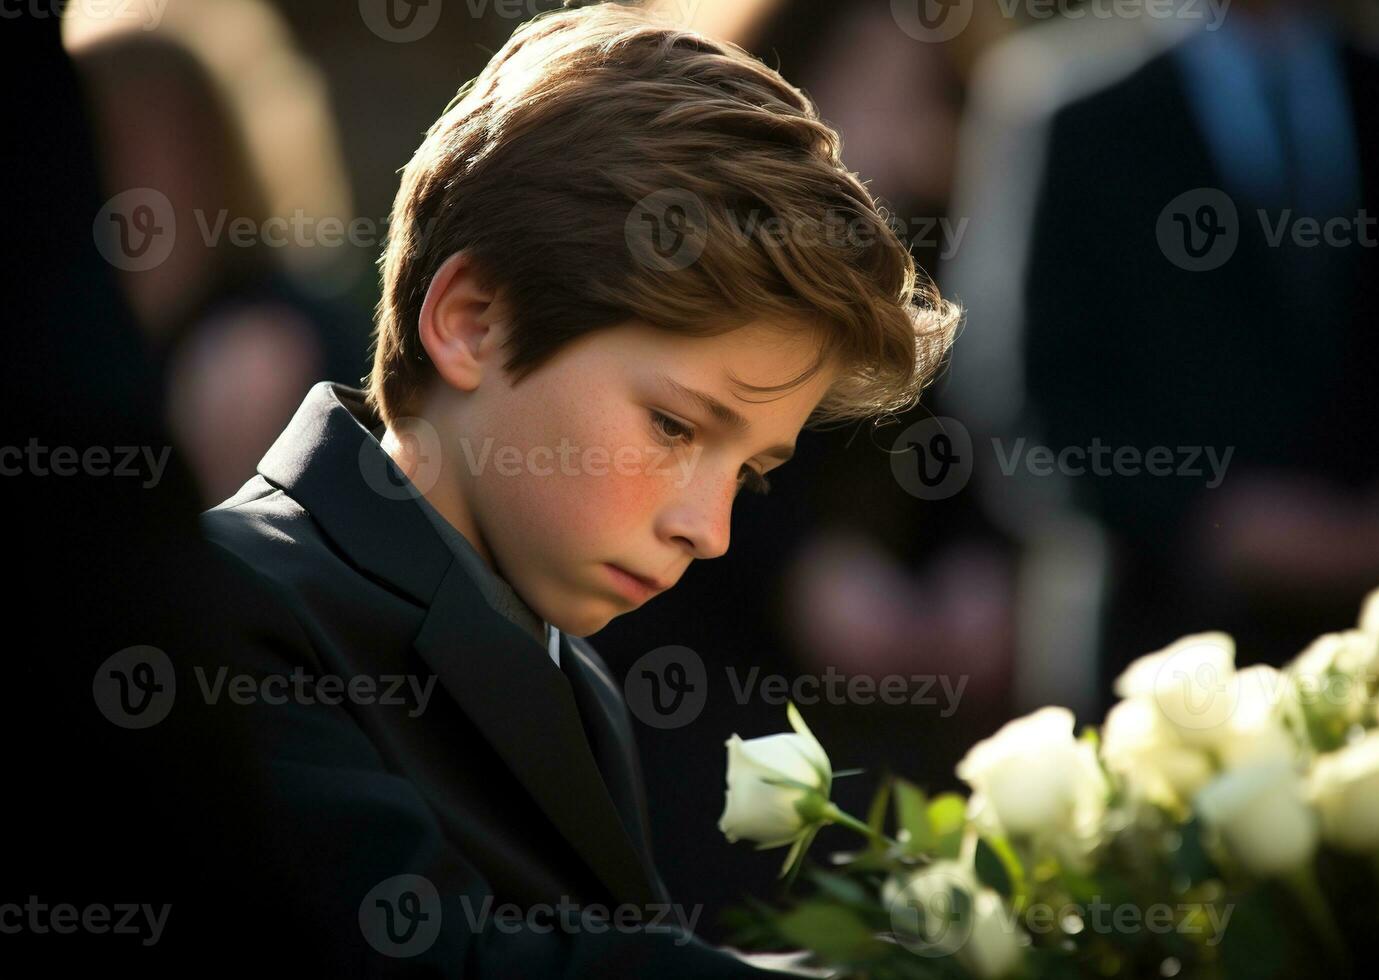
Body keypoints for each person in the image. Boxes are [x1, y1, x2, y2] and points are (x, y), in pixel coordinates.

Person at [196, 2, 961, 974]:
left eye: (752, 472)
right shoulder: (229, 607)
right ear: (473, 321)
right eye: (677, 425)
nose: (711, 529)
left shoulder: (568, 660)